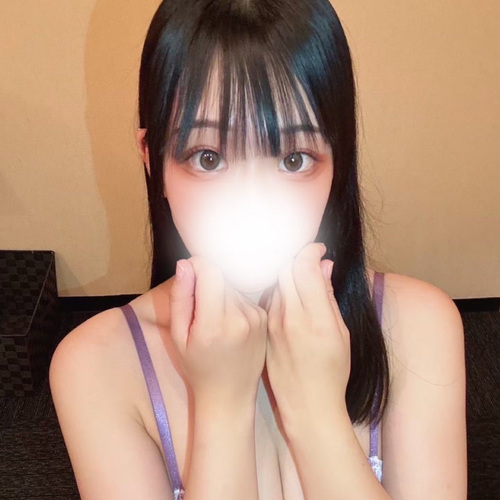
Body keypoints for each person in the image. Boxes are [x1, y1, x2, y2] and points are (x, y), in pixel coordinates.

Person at [49, 1, 467, 499]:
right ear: (152, 159)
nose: (252, 202)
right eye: (208, 158)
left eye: (293, 159)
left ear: (337, 161)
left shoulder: (415, 326)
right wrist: (221, 407)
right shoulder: (95, 365)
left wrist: (316, 415)